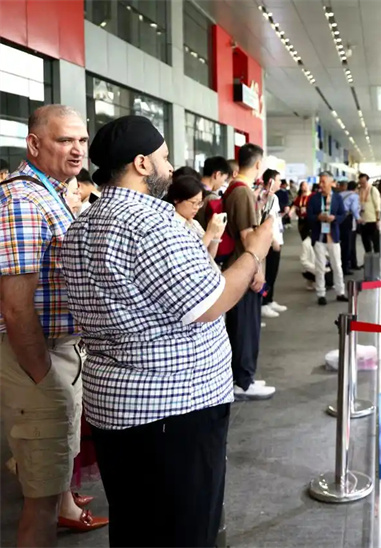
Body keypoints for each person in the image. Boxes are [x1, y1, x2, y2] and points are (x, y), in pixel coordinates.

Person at [60, 114, 274, 548]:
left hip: (117, 408)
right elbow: (209, 303)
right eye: (164, 157)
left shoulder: (81, 226)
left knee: (136, 524)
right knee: (184, 530)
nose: (170, 168)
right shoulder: (154, 224)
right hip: (175, 413)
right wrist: (255, 252)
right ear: (141, 164)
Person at [0, 105, 108, 546]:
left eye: (82, 140)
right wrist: (42, 374)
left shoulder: (52, 193)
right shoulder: (24, 201)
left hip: (62, 350)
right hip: (41, 354)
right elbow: (15, 306)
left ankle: (65, 506)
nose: (77, 150)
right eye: (65, 140)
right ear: (35, 144)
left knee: (55, 468)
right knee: (38, 502)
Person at [222, 143, 275, 400]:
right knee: (246, 325)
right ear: (257, 164)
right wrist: (257, 271)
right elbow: (247, 237)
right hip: (244, 267)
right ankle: (244, 380)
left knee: (242, 324)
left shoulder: (235, 189)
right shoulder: (242, 192)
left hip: (237, 265)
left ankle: (244, 376)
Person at [165, 174, 227, 260]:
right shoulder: (170, 224)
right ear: (177, 199)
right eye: (193, 202)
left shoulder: (194, 223)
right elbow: (191, 258)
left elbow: (210, 256)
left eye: (199, 203)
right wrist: (209, 233)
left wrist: (216, 236)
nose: (197, 207)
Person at [308, 172, 348, 305]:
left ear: (331, 183)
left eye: (324, 182)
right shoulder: (314, 198)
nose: (321, 184)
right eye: (320, 181)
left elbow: (343, 214)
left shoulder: (337, 198)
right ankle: (321, 294)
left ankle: (340, 292)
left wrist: (335, 218)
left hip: (333, 236)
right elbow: (309, 216)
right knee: (319, 267)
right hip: (319, 237)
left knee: (337, 265)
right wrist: (318, 218)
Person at [260, 169, 288, 318]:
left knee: (273, 273)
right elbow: (267, 221)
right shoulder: (268, 197)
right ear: (270, 181)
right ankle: (263, 302)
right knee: (268, 274)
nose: (280, 183)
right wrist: (273, 240)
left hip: (277, 239)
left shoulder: (274, 197)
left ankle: (269, 300)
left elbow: (275, 219)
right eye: (278, 180)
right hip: (270, 242)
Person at [196, 156, 233, 229]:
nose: (223, 183)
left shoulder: (192, 190)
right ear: (217, 174)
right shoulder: (212, 198)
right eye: (224, 179)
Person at [339, 180, 361, 275]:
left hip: (338, 219)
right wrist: (359, 218)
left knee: (340, 243)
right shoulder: (354, 196)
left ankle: (340, 265)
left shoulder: (339, 194)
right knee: (348, 243)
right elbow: (354, 209)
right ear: (356, 188)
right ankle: (345, 267)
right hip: (347, 219)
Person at [358, 172, 381, 258]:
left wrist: (378, 219)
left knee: (375, 242)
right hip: (363, 220)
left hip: (372, 220)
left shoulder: (373, 190)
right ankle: (368, 260)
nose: (362, 184)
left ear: (367, 181)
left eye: (363, 182)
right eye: (360, 182)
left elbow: (377, 206)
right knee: (365, 242)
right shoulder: (359, 190)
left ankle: (377, 260)